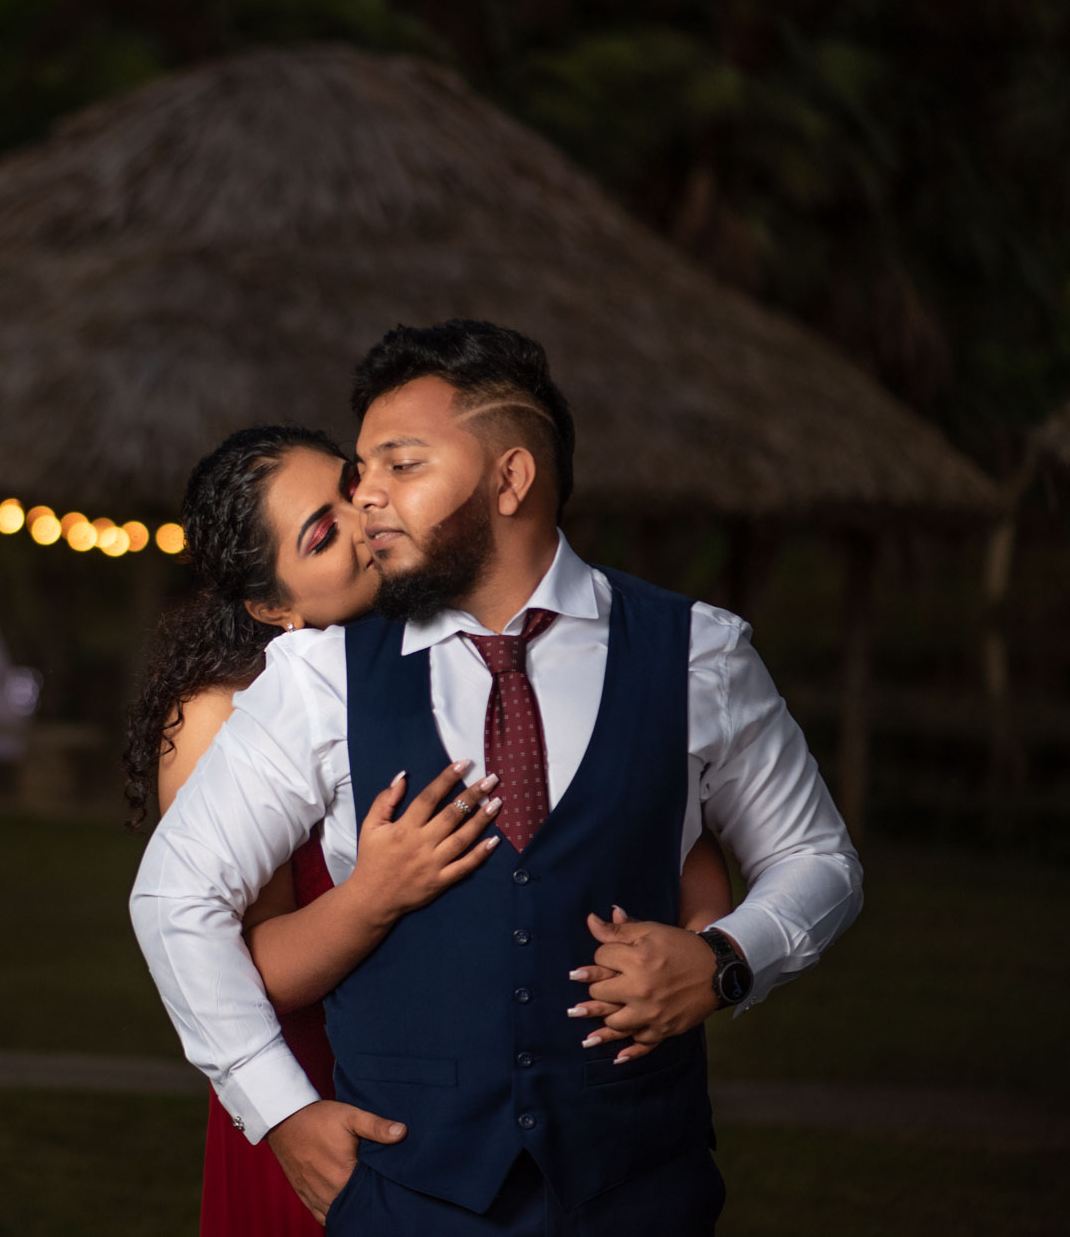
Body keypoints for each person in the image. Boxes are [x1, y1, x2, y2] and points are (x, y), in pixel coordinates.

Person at [131, 321, 864, 1235]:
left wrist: (726, 960)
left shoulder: (697, 654)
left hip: (641, 1190)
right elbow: (173, 898)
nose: (369, 503)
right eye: (360, 475)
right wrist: (276, 1108)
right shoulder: (318, 679)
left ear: (510, 479)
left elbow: (817, 857)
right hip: (404, 1196)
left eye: (400, 467)